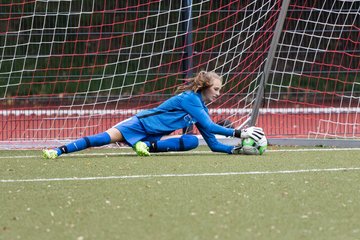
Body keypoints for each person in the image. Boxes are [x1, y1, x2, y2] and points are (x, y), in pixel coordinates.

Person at [42, 71, 265, 159]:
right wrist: (239, 131)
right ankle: (58, 150)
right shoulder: (190, 99)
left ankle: (145, 146)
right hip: (139, 124)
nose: (219, 93)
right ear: (205, 87)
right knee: (101, 139)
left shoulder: (200, 110)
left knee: (190, 141)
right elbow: (212, 126)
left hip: (153, 137)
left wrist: (236, 149)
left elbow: (214, 144)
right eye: (216, 89)